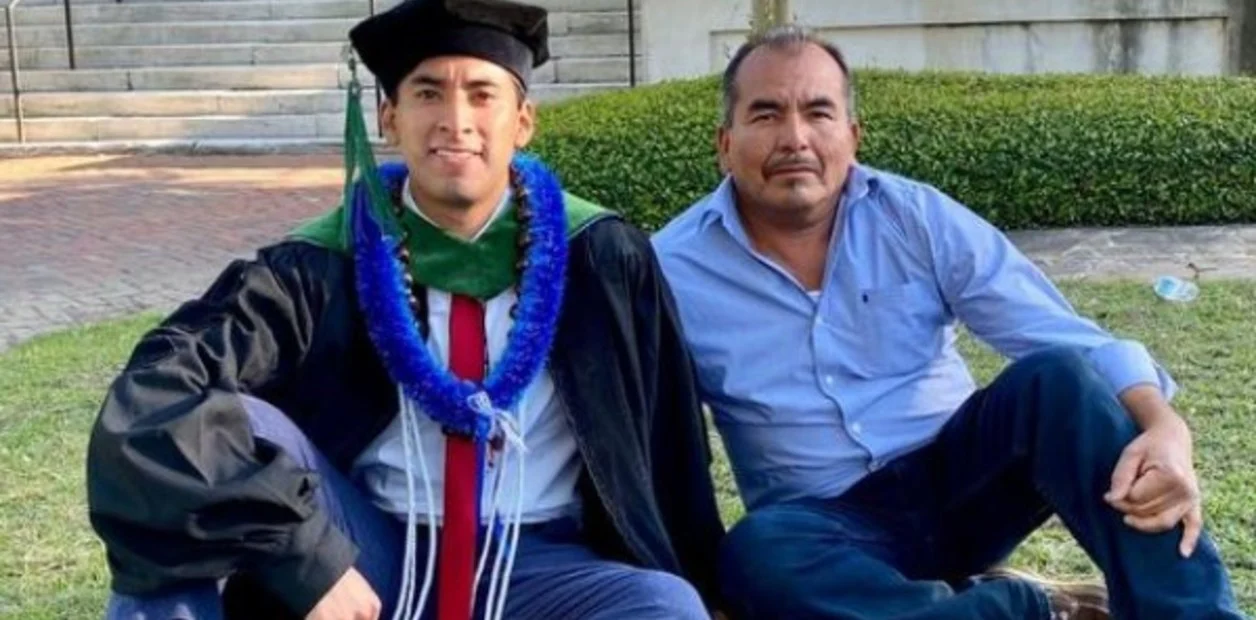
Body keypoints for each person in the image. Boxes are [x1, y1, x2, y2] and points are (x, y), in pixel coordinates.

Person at [86, 1, 725, 619]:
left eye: (481, 93)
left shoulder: (602, 257)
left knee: (663, 606)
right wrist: (304, 555)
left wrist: (708, 584)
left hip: (547, 565)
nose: (455, 119)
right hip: (375, 549)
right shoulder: (317, 265)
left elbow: (670, 442)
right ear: (390, 117)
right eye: (427, 93)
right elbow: (159, 391)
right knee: (197, 457)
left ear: (523, 120)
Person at [651, 24, 1244, 620]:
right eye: (767, 114)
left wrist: (1166, 427)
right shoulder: (671, 270)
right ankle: (1019, 609)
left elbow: (1065, 337)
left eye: (819, 112)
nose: (796, 138)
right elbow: (656, 442)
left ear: (852, 137)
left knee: (1058, 380)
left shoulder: (916, 217)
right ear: (725, 143)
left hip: (962, 484)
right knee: (754, 555)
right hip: (824, 529)